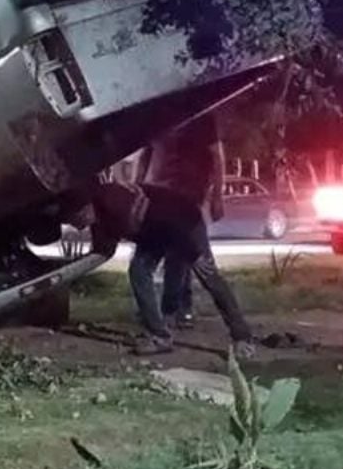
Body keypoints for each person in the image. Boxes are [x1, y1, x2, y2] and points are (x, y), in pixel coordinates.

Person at [93, 112, 254, 357]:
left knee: (208, 274)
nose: (78, 224)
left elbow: (172, 228)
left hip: (183, 219)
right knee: (139, 270)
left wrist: (195, 254)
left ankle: (242, 337)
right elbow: (105, 247)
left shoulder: (116, 204)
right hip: (156, 223)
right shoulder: (101, 212)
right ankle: (159, 334)